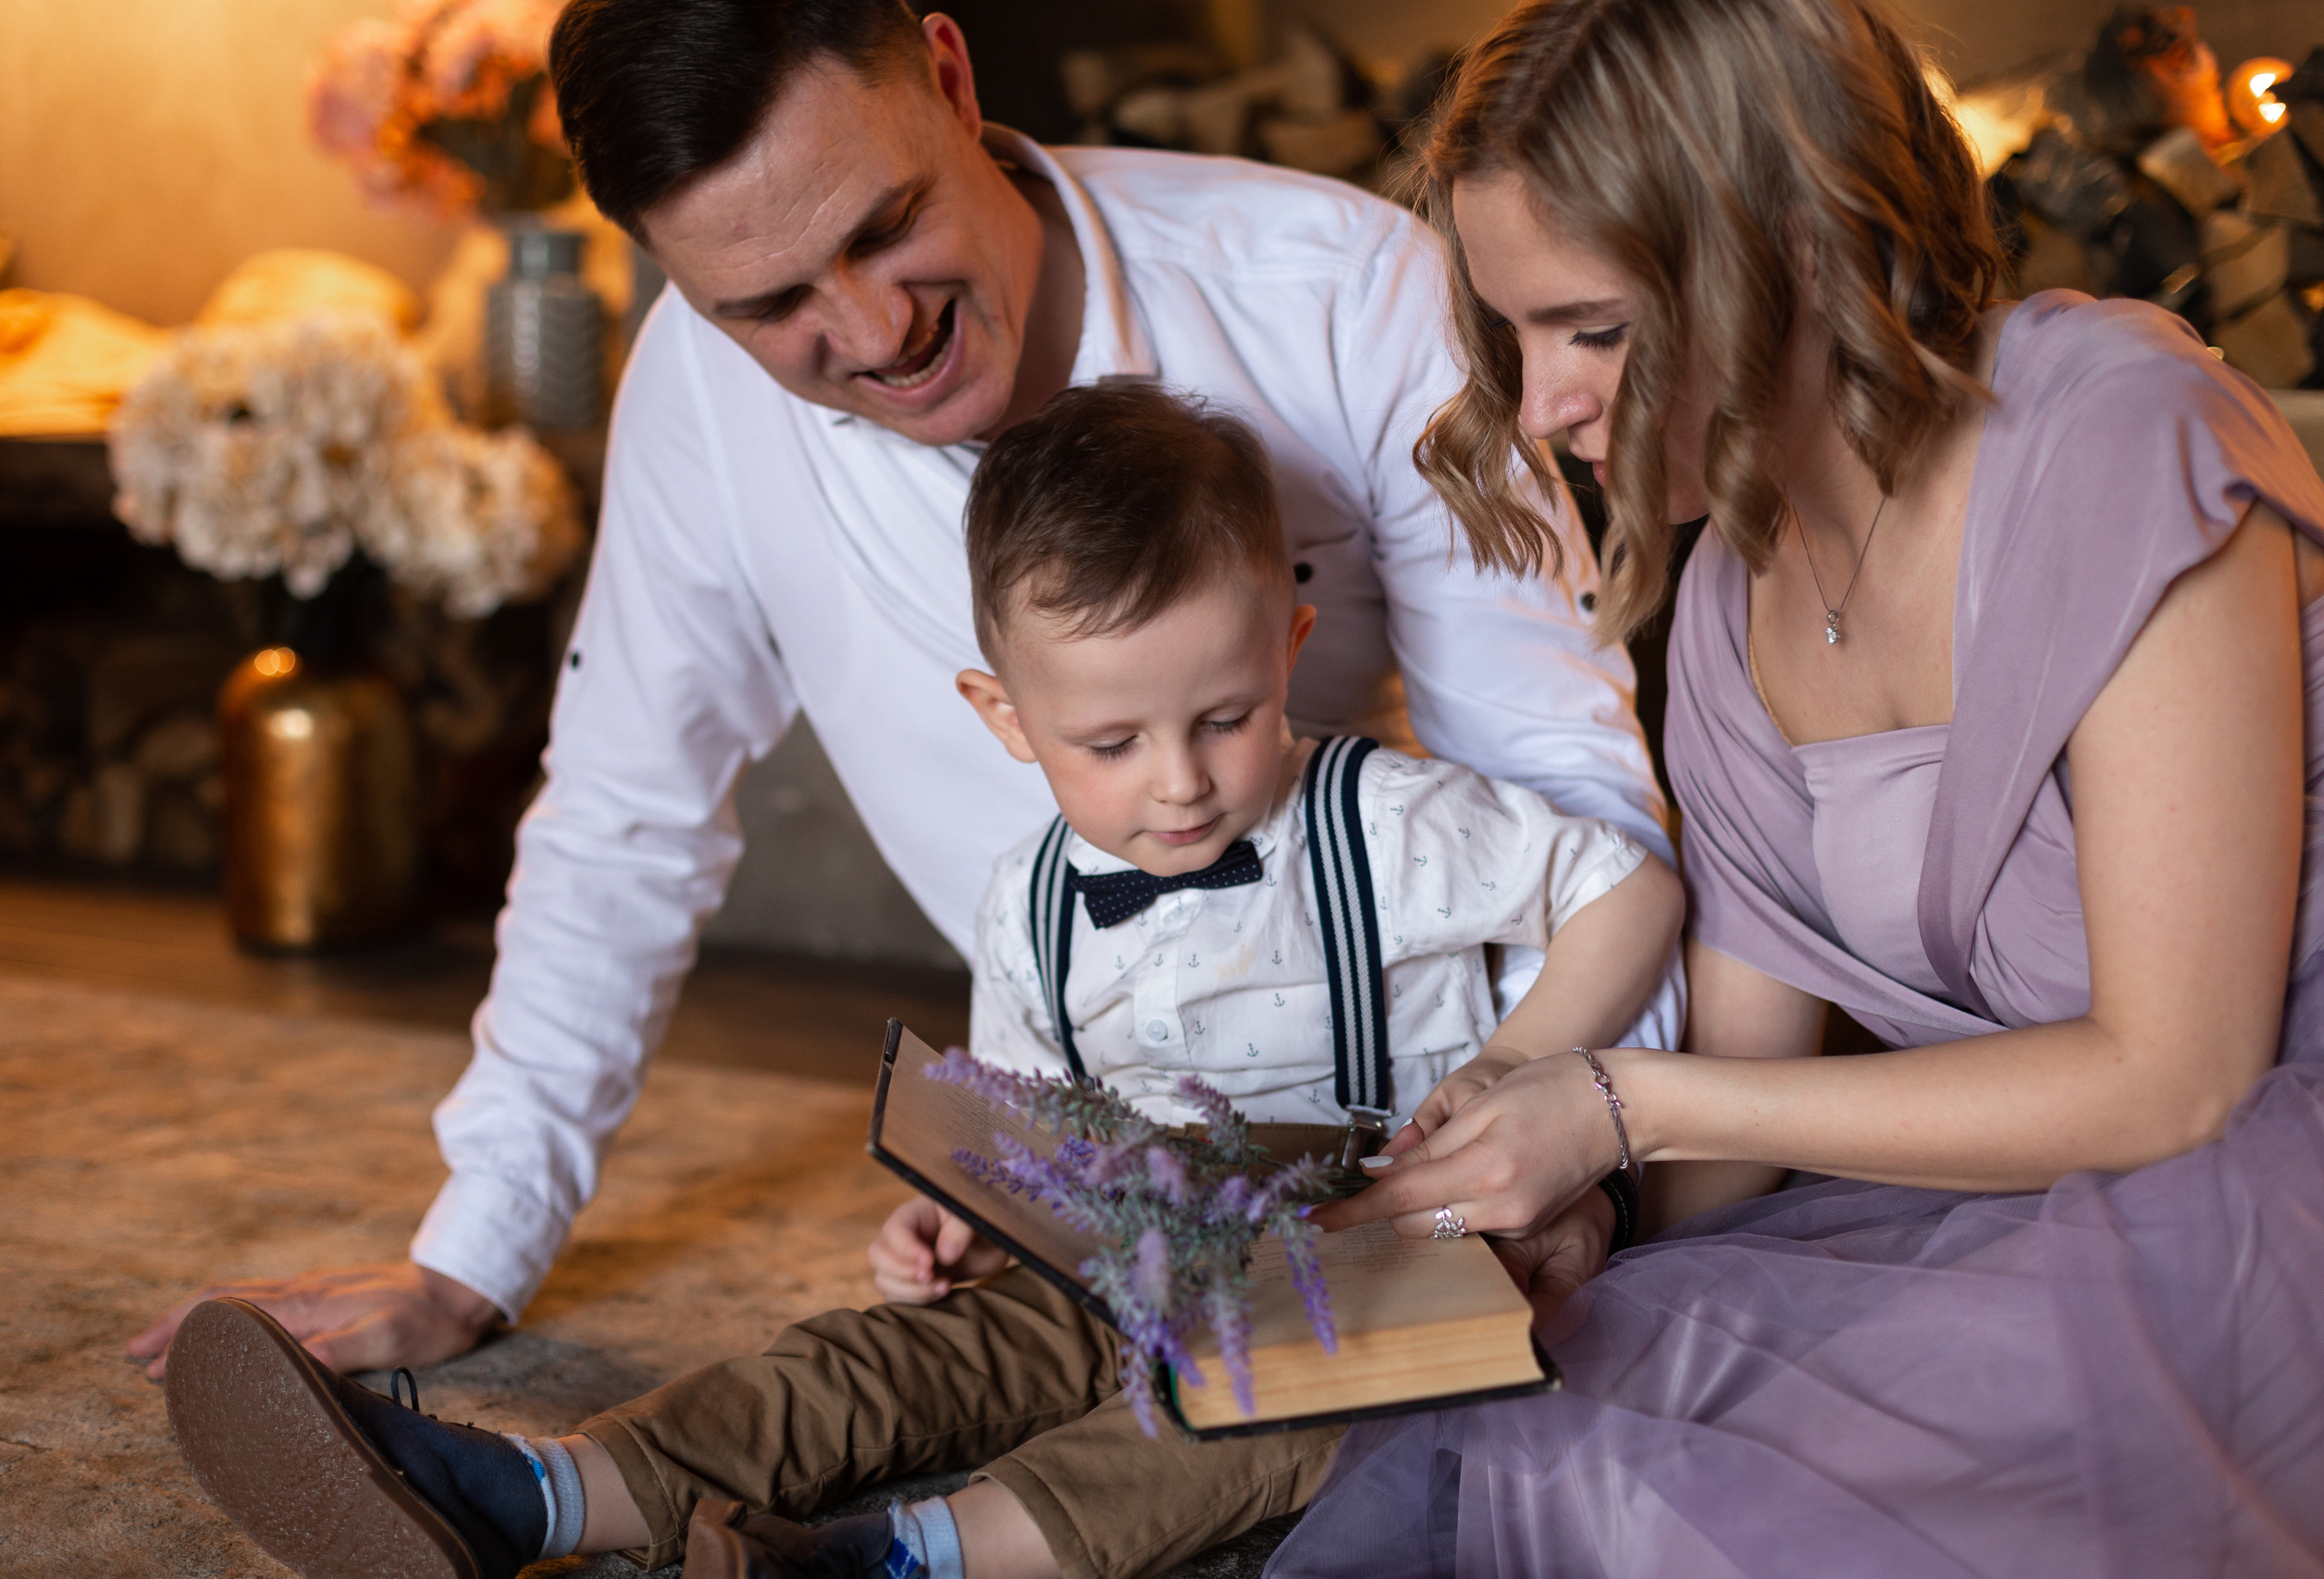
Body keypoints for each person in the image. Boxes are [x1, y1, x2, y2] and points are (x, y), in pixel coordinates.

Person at [129, 0, 1679, 1381]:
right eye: (770, 303)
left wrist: (1578, 1171)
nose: (875, 335)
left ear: (945, 68)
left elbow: (1566, 785)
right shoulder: (694, 392)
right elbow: (624, 814)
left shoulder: (1338, 292)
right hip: (1097, 1147)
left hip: (1423, 1088)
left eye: (886, 227)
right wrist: (471, 1255)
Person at [163, 380, 1685, 1579]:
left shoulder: (1388, 821)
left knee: (1242, 1420)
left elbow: (1628, 888)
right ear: (1005, 716)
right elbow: (1032, 1114)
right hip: (1129, 1248)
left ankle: (899, 1555)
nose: (1179, 784)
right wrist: (974, 1207)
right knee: (885, 1360)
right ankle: (535, 1493)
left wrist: (1519, 1071)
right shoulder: (1027, 904)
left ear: (1292, 642)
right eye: (1111, 742)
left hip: (1375, 1259)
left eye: (1226, 716)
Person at [1268, 0, 2324, 1574]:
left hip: (2305, 1159)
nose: (1539, 407)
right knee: (1590, 1392)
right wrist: (1586, 1216)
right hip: (2100, 1199)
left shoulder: (2116, 431)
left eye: (1592, 327)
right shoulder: (1733, 607)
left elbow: (2175, 1081)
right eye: (1511, 335)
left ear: (1784, 248)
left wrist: (1615, 1104)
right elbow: (1737, 1144)